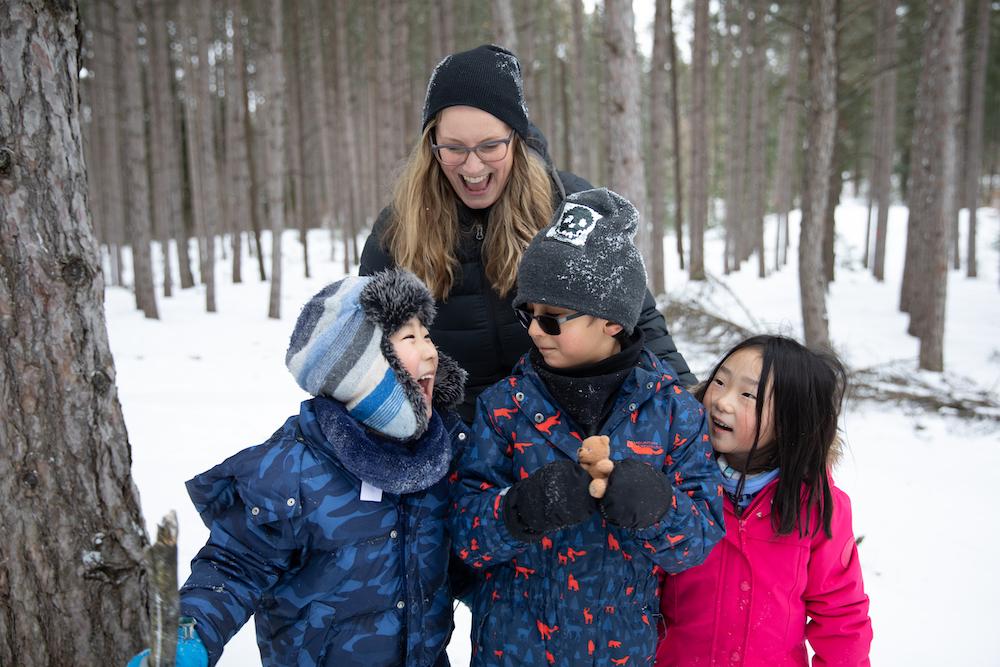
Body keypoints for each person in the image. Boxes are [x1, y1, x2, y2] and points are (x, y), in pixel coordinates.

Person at [449, 188, 725, 665]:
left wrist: (659, 506)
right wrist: (520, 509)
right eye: (527, 314)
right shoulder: (502, 409)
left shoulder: (675, 413)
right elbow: (464, 539)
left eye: (552, 320)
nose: (535, 331)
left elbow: (697, 545)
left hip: (621, 652)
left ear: (612, 322)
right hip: (513, 650)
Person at [137, 269, 467, 667]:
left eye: (427, 335)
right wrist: (191, 636)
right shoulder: (292, 469)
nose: (430, 351)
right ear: (362, 369)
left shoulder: (440, 456)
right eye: (409, 338)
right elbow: (235, 566)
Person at [360, 44, 696, 423]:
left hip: (557, 427)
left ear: (516, 138)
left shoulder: (567, 205)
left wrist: (687, 406)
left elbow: (635, 317)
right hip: (445, 432)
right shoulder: (398, 229)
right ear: (431, 144)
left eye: (490, 146)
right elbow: (369, 349)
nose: (472, 166)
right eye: (453, 148)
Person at [656, 335, 873, 667]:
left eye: (747, 394)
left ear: (791, 420)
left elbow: (842, 616)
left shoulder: (816, 506)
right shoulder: (680, 483)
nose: (723, 401)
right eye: (720, 381)